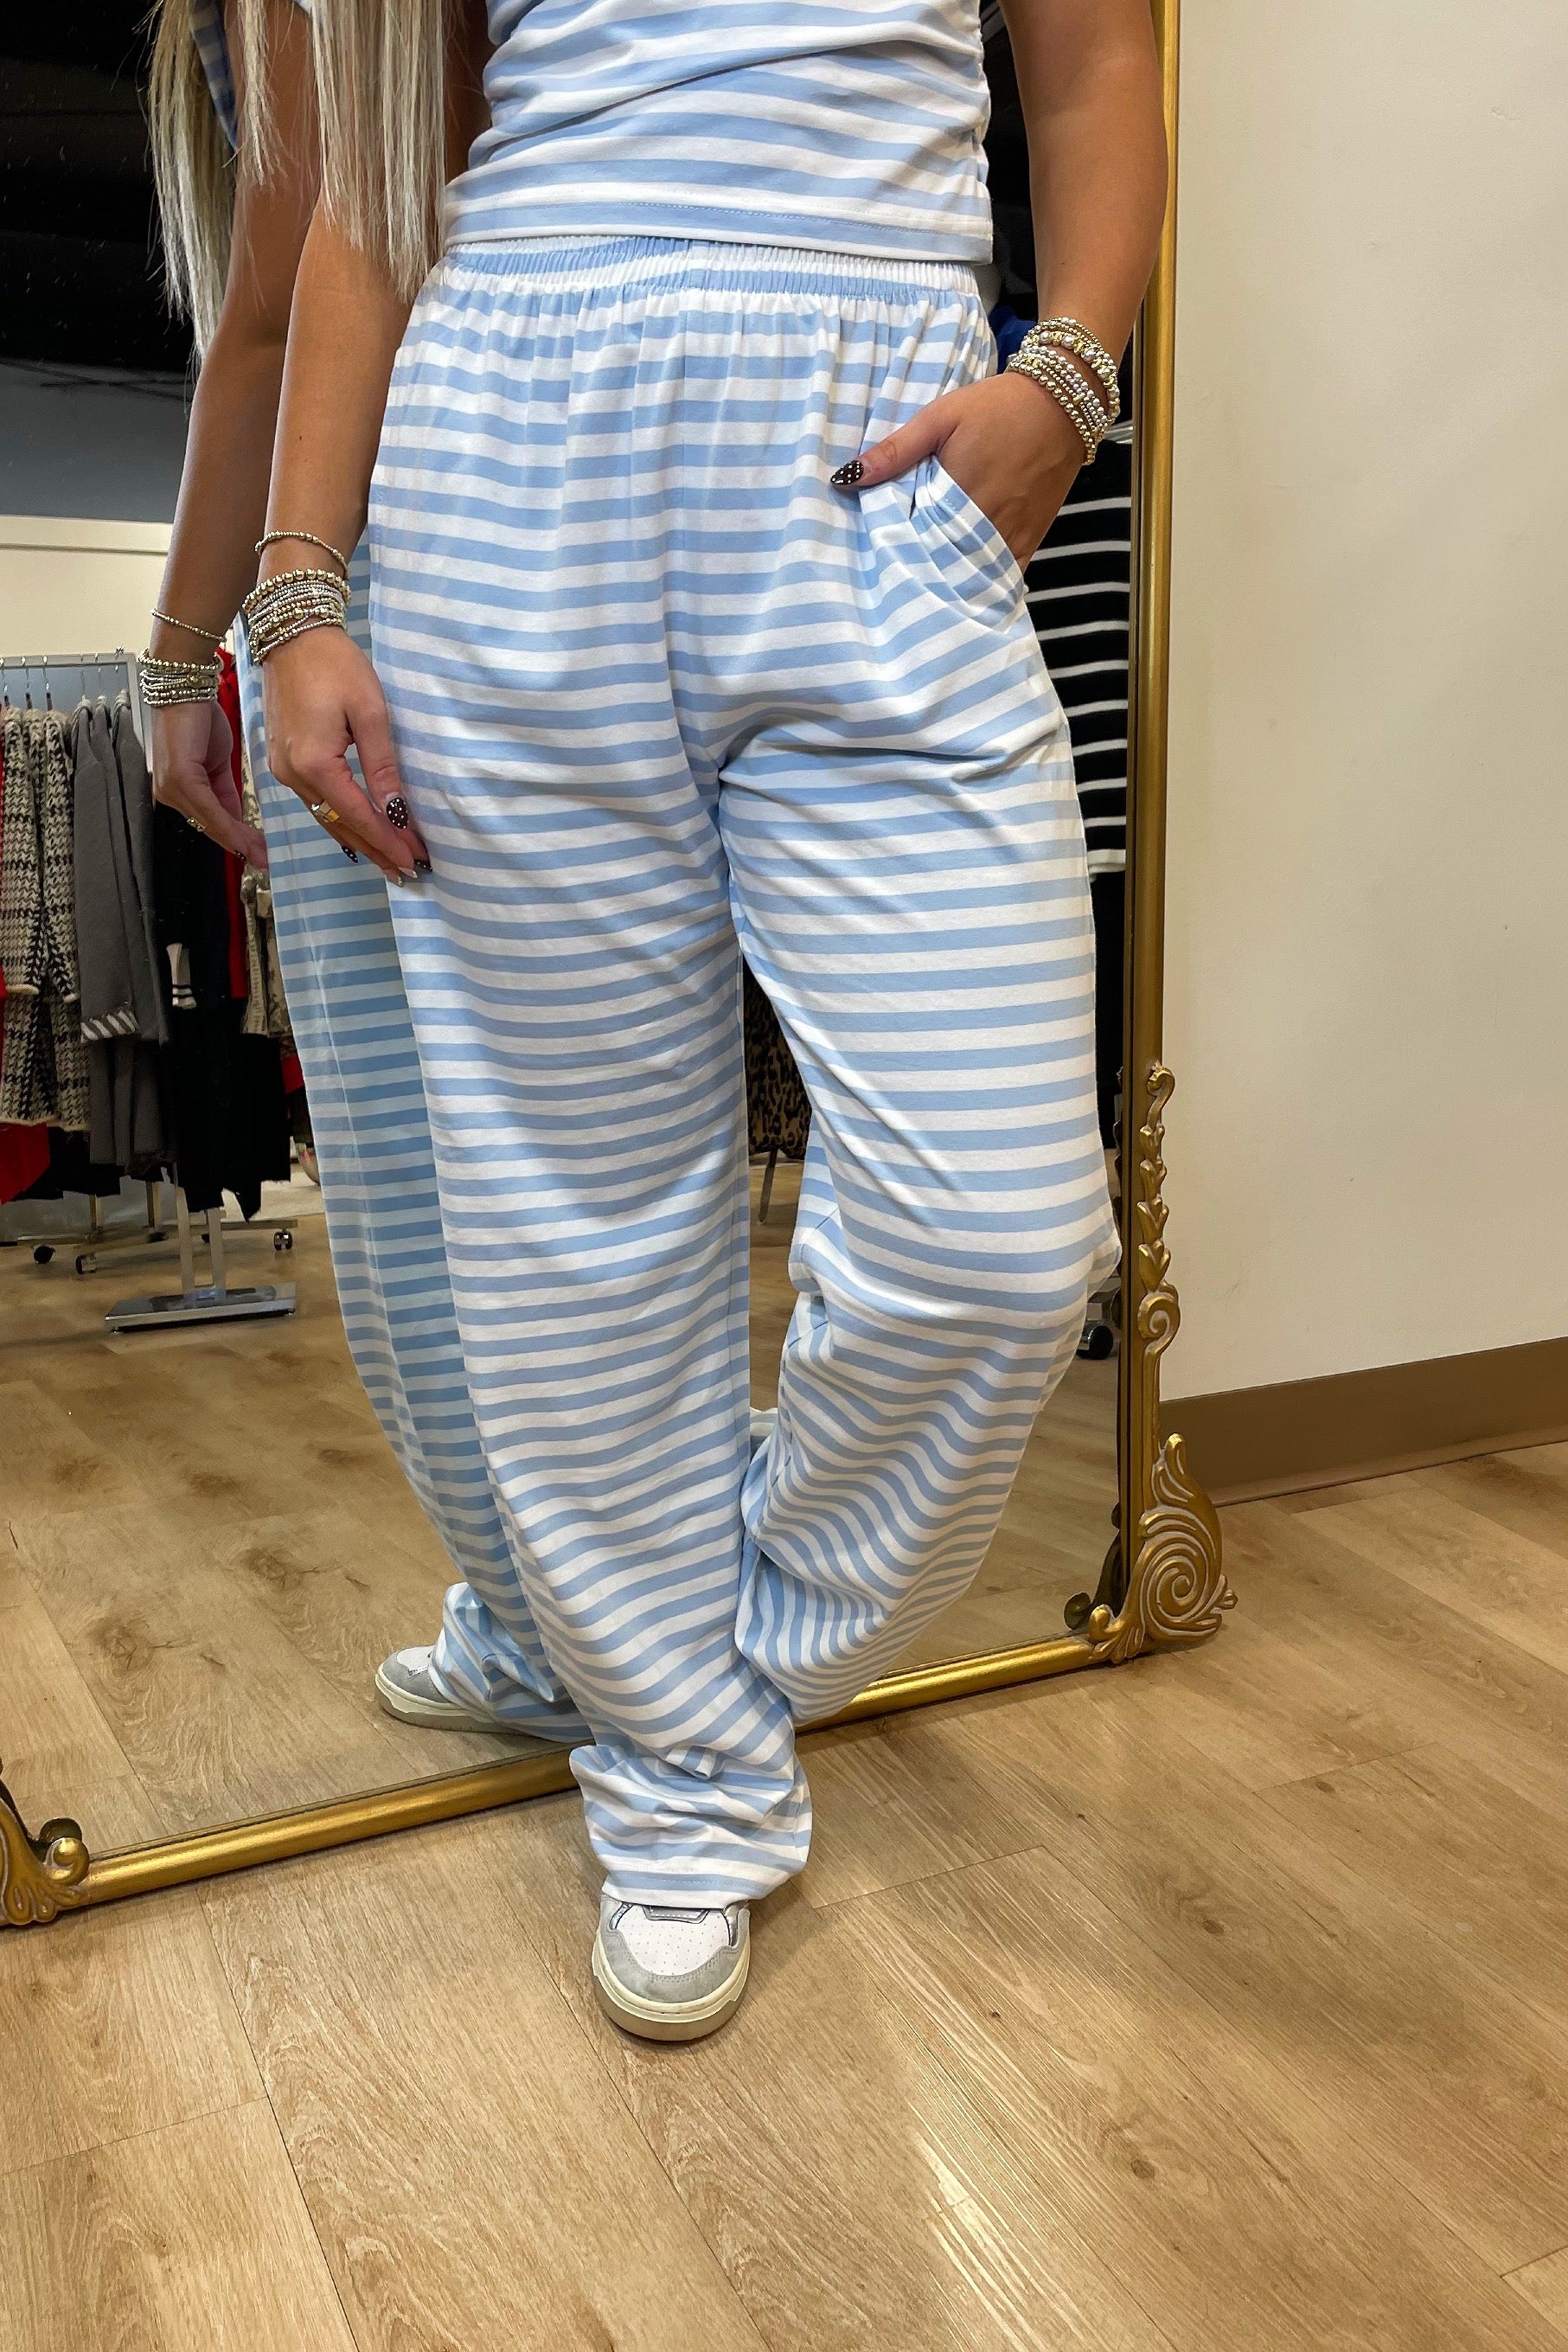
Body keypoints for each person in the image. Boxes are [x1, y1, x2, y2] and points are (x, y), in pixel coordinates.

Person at [267, 0, 1164, 2041]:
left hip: (878, 448)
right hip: (509, 432)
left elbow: (1096, 62)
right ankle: (680, 1772)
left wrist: (1069, 374)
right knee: (578, 1214)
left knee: (1002, 1235)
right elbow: (380, 179)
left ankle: (698, 1660)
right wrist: (300, 580)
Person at [144, 0, 594, 1746]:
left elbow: (277, 302)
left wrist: (185, 653)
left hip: (377, 581)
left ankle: (556, 1638)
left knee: (425, 1195)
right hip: (528, 536)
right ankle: (600, 1609)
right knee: (576, 1174)